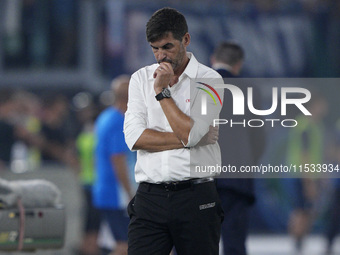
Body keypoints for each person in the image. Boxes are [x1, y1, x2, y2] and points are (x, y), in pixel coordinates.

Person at [124, 7, 224, 255]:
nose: (160, 56)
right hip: (149, 197)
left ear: (186, 40)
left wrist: (161, 92)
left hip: (196, 197)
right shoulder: (139, 79)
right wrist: (189, 140)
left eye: (167, 47)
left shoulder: (210, 80)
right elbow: (134, 138)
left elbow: (190, 134)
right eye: (154, 48)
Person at [211, 42, 266, 255]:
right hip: (236, 179)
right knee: (234, 243)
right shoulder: (249, 90)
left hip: (200, 178)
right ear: (239, 64)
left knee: (193, 240)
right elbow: (258, 139)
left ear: (213, 59)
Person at [93, 75, 135, 255]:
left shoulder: (105, 117)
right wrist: (130, 194)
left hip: (107, 191)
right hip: (117, 195)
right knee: (125, 245)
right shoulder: (119, 121)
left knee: (122, 244)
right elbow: (118, 159)